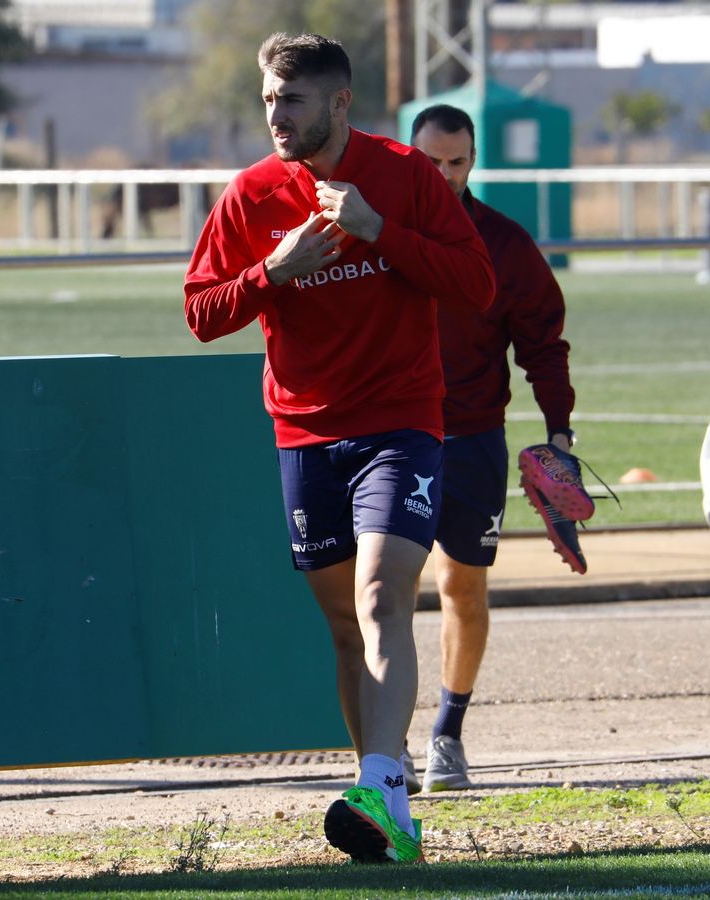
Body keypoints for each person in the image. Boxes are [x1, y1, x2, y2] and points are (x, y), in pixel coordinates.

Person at [183, 34, 494, 863]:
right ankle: (386, 803)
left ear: (340, 103)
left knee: (383, 599)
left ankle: (384, 788)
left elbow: (476, 285)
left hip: (400, 424)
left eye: (292, 101)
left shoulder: (404, 177)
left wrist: (379, 229)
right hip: (305, 432)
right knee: (345, 633)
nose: (277, 118)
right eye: (268, 102)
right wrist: (270, 274)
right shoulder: (250, 196)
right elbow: (202, 313)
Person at [408, 104, 579, 793]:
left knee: (462, 587)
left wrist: (558, 431)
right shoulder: (375, 233)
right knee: (377, 592)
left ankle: (447, 733)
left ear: (473, 161)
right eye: (430, 162)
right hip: (390, 437)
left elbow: (543, 342)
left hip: (472, 438)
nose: (445, 175)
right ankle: (380, 746)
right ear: (408, 156)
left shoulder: (504, 244)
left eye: (457, 162)